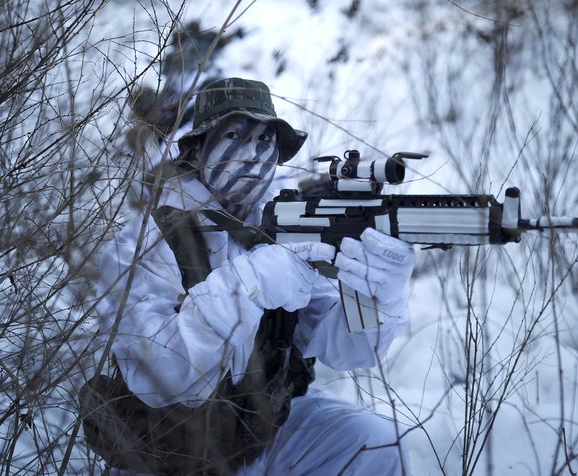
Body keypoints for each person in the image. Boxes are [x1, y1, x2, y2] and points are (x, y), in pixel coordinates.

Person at [82, 77, 415, 475]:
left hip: (258, 438)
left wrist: (377, 293)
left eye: (264, 141)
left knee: (375, 443)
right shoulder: (144, 242)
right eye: (234, 135)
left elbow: (347, 349)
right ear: (198, 149)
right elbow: (164, 378)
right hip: (169, 459)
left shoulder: (279, 231)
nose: (251, 155)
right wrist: (249, 285)